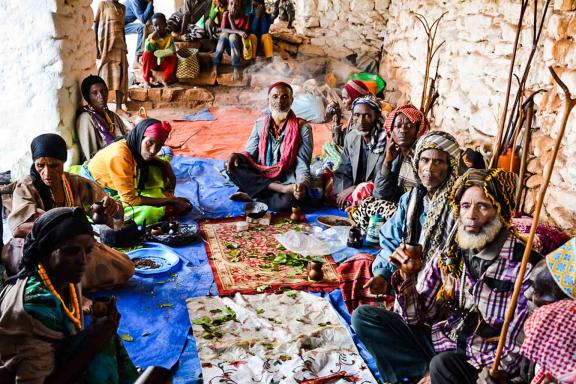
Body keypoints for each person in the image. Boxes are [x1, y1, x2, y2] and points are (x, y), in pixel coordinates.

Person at [352, 168, 536, 384]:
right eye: (466, 206)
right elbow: (417, 316)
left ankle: (431, 374)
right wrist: (407, 277)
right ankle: (424, 374)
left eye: (483, 206)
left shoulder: (525, 266)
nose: (471, 215)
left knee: (443, 365)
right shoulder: (452, 250)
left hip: (481, 366)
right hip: (443, 342)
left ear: (501, 212)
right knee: (365, 317)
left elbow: (516, 353)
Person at [0, 207, 139, 383]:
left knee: (105, 335)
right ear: (45, 250)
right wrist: (93, 342)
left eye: (88, 251)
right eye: (71, 251)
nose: (83, 260)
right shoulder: (34, 307)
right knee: (100, 344)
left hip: (55, 362)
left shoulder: (63, 275)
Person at [338, 131, 460, 313]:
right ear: (417, 163)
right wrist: (383, 275)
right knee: (354, 266)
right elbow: (391, 239)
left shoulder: (458, 205)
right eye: (425, 160)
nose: (429, 168)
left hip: (439, 284)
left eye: (438, 162)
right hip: (405, 271)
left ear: (451, 166)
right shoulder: (411, 199)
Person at [4, 134, 134, 291]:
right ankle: (71, 291)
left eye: (54, 166)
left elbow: (115, 217)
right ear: (34, 163)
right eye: (40, 165)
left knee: (125, 267)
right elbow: (18, 228)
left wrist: (114, 208)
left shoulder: (75, 183)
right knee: (44, 278)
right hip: (37, 249)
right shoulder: (25, 186)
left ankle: (71, 287)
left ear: (63, 163)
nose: (47, 173)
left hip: (71, 249)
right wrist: (63, 231)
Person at [84, 118, 192, 225]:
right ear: (140, 137)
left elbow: (154, 160)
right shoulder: (120, 155)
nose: (153, 151)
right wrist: (171, 201)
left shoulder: (133, 146)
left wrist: (165, 165)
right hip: (97, 189)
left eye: (159, 146)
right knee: (150, 212)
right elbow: (130, 200)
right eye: (150, 143)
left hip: (117, 185)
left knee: (159, 166)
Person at [225, 82, 312, 212]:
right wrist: (236, 156)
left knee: (291, 201)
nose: (279, 101)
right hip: (262, 175)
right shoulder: (260, 123)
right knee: (231, 164)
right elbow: (249, 154)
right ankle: (276, 190)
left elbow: (302, 164)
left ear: (291, 100)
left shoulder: (303, 128)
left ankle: (253, 195)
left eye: (284, 97)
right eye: (275, 96)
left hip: (287, 180)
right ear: (268, 100)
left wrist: (302, 185)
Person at [352, 104, 429, 232]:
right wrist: (387, 162)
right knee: (368, 202)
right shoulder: (394, 154)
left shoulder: (422, 158)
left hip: (418, 214)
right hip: (399, 208)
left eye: (409, 126)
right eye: (398, 126)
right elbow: (380, 194)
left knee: (371, 208)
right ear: (390, 131)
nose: (403, 130)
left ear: (418, 130)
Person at [332, 95, 387, 210]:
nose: (361, 121)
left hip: (376, 192)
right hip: (355, 190)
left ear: (376, 117)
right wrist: (343, 193)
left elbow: (381, 179)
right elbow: (343, 170)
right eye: (357, 115)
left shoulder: (385, 143)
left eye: (367, 116)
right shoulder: (351, 138)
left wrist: (354, 188)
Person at [76, 75, 129, 162]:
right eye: (94, 93)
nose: (101, 96)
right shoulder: (86, 119)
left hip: (120, 156)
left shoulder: (110, 115)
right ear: (87, 97)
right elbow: (92, 157)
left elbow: (127, 135)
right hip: (102, 164)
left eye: (103, 91)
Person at [323, 80, 371, 168]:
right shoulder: (353, 117)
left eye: (345, 98)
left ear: (355, 97)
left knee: (329, 149)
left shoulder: (362, 120)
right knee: (327, 145)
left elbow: (344, 145)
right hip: (353, 153)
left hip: (360, 160)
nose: (343, 101)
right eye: (342, 98)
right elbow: (341, 142)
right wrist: (337, 120)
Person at [94, 0, 129, 116]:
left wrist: (125, 45)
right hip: (106, 48)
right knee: (105, 77)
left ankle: (119, 107)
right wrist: (96, 48)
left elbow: (123, 28)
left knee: (121, 78)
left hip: (120, 47)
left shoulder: (122, 8)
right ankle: (104, 108)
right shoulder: (103, 4)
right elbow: (96, 25)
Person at [211, 0, 250, 82]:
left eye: (236, 4)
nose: (233, 6)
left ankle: (236, 68)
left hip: (238, 49)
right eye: (231, 4)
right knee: (224, 34)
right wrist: (238, 31)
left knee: (233, 36)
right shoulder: (226, 14)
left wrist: (231, 19)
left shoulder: (245, 18)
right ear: (228, 6)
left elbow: (237, 36)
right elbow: (222, 29)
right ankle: (215, 66)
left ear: (240, 6)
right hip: (227, 48)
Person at [141, 13, 177, 87]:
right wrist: (152, 40)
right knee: (146, 54)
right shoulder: (150, 37)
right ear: (153, 26)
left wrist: (165, 53)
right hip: (153, 64)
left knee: (173, 57)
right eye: (155, 25)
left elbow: (172, 51)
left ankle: (165, 80)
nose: (158, 28)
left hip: (163, 63)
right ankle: (147, 80)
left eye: (160, 24)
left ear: (165, 24)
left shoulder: (169, 38)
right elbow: (147, 49)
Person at [124, 0, 155, 66]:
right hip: (120, 26)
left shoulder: (145, 1)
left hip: (126, 24)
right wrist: (150, 3)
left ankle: (149, 57)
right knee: (142, 27)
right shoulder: (134, 1)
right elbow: (143, 19)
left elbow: (151, 18)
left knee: (152, 28)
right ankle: (136, 59)